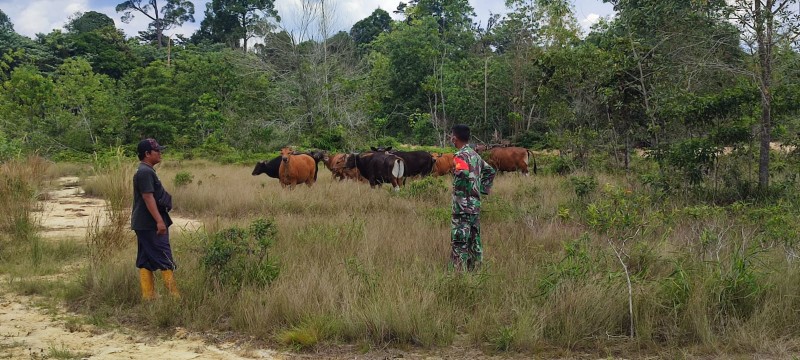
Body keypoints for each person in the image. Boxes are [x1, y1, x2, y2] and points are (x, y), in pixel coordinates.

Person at [132, 138, 179, 300]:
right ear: (147, 154)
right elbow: (147, 197)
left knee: (145, 259)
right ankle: (174, 298)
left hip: (144, 223)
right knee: (165, 257)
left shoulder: (146, 170)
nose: (160, 153)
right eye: (157, 150)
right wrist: (159, 221)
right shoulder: (145, 172)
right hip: (150, 224)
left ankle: (148, 297)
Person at [450, 124, 496, 271]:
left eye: (451, 135)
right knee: (474, 241)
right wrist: (481, 189)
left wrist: (460, 190)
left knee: (459, 242)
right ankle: (476, 272)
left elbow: (462, 172)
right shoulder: (475, 155)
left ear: (455, 138)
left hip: (462, 207)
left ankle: (458, 276)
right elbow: (490, 171)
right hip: (475, 206)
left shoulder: (460, 156)